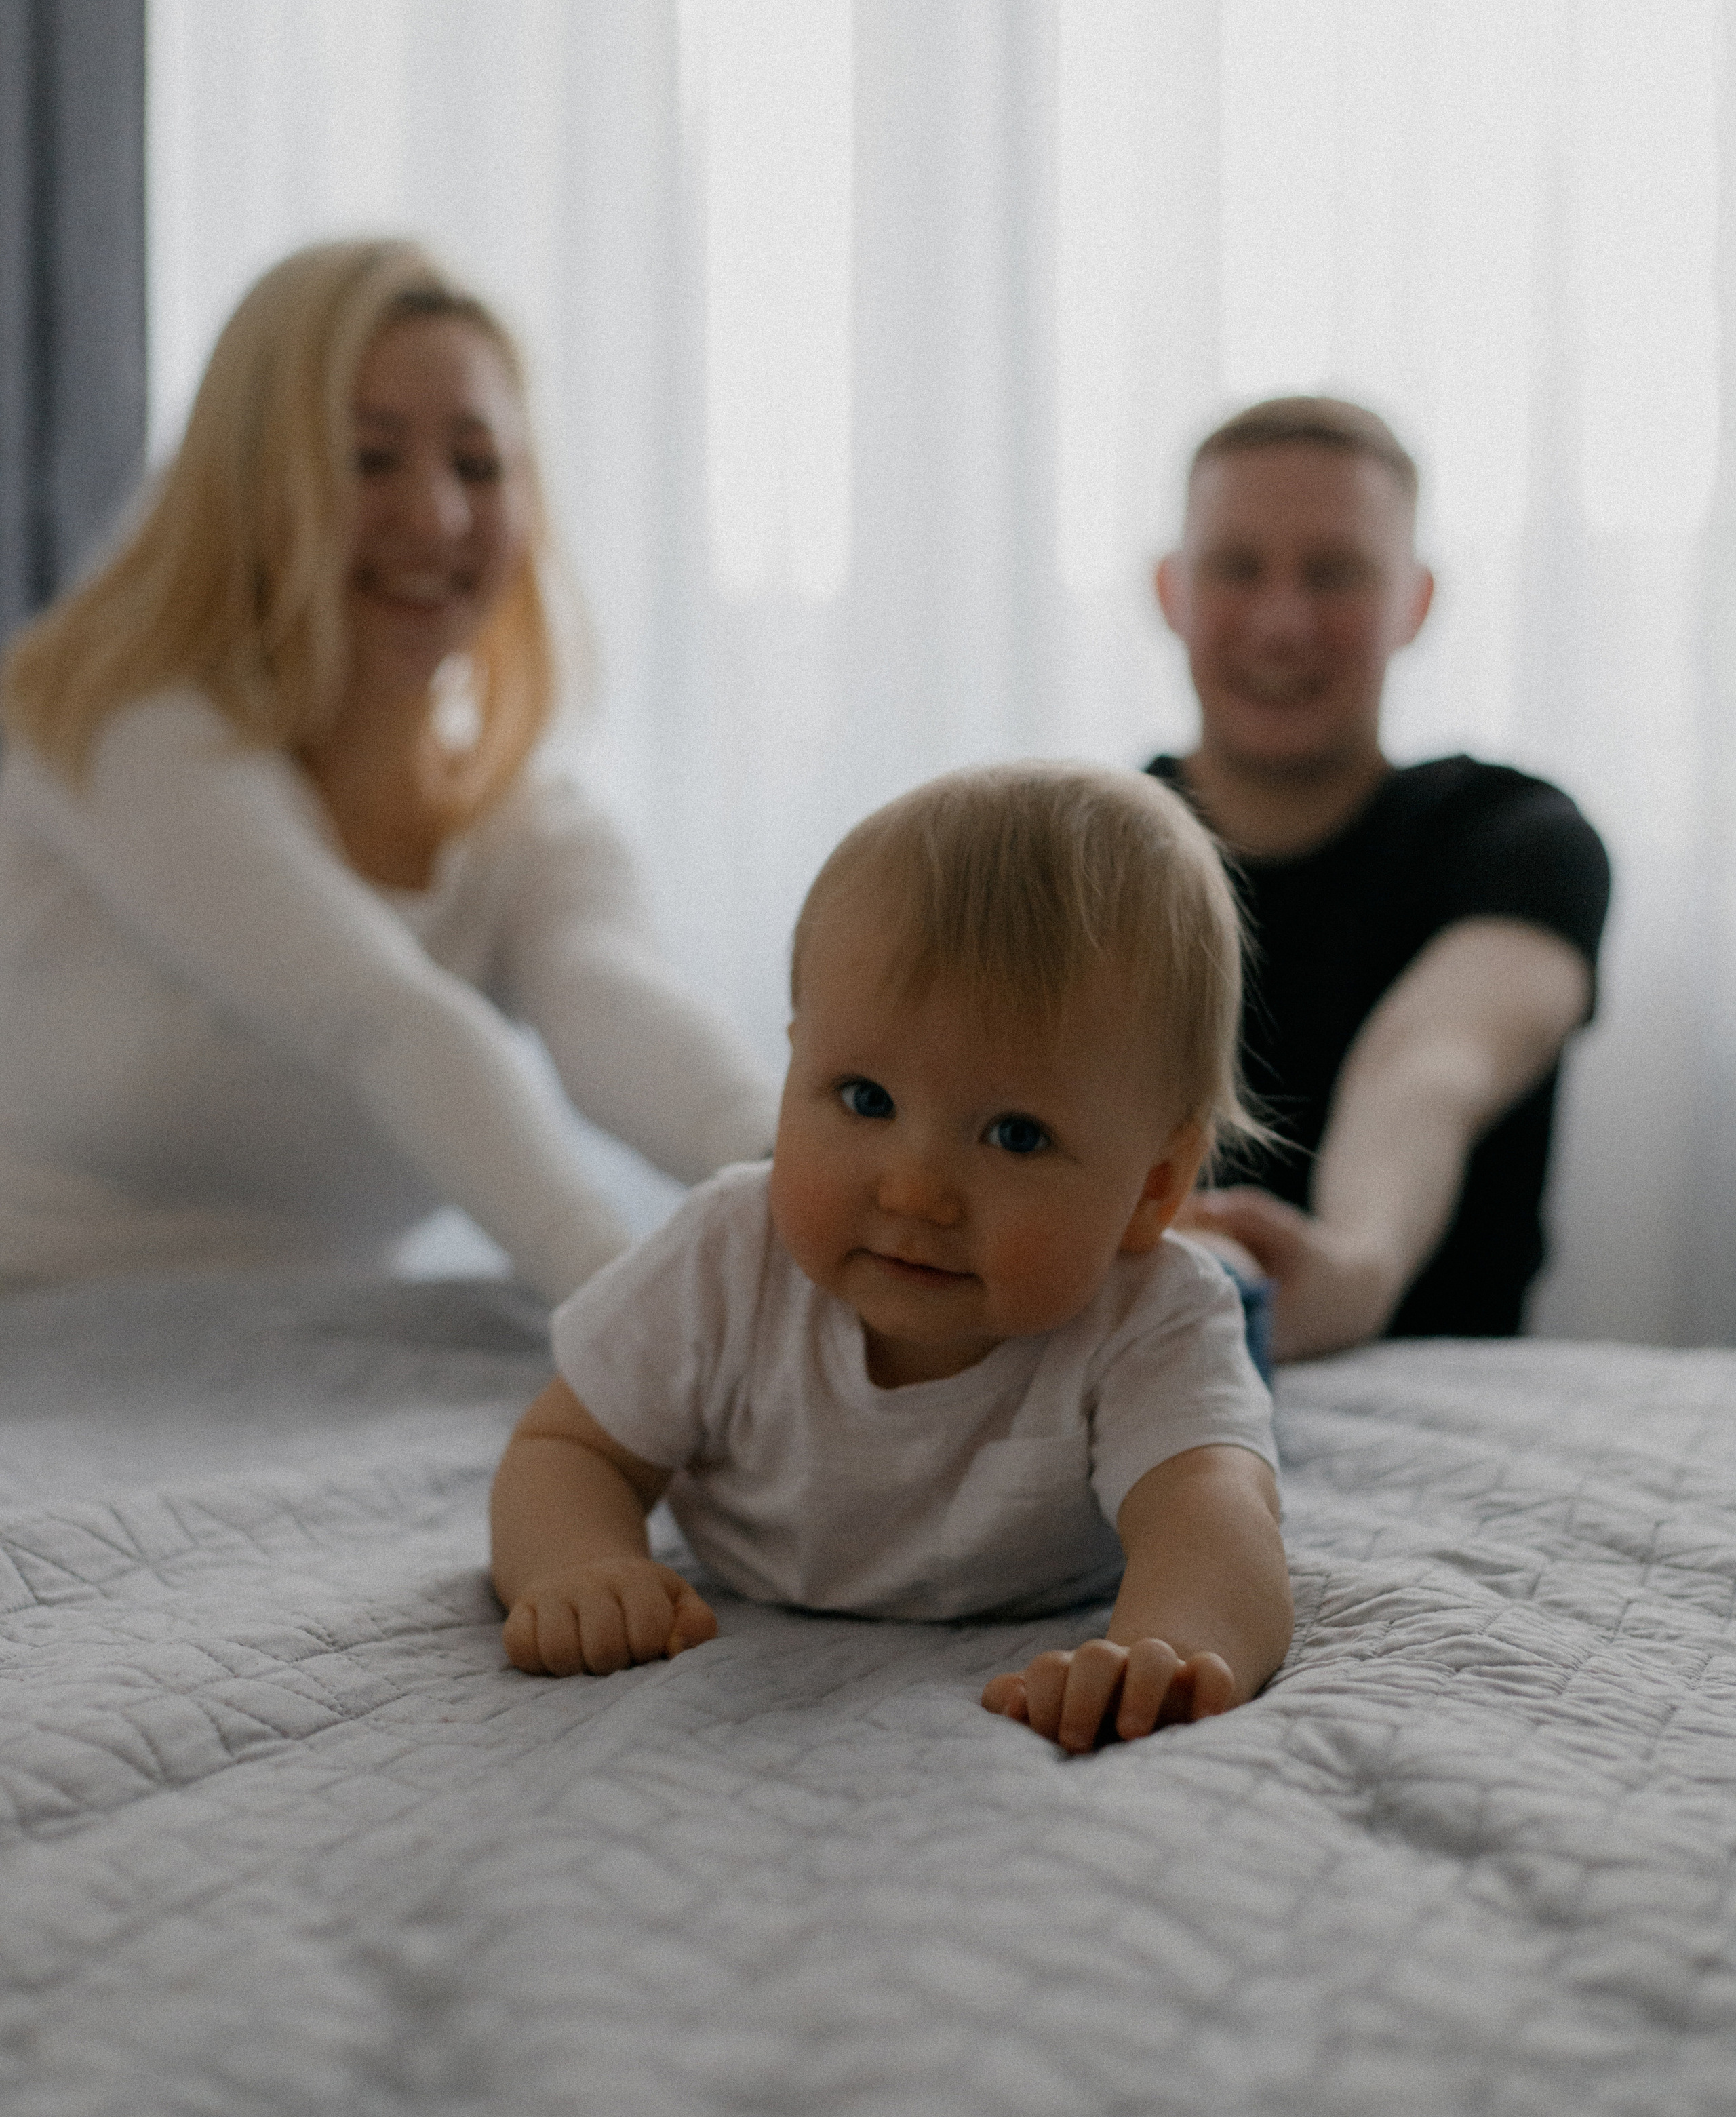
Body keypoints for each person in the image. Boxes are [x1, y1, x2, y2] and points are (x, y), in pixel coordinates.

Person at [0, 239, 777, 1300]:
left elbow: (617, 1010)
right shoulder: (118, 733)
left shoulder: (530, 830)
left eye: (478, 463)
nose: (438, 517)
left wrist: (819, 1192)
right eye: (368, 459)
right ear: (250, 488)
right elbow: (382, 1015)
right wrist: (612, 1289)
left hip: (313, 1356)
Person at [490, 763, 1290, 1755]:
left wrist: (1166, 1647)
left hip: (1172, 1302)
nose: (915, 1192)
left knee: (1234, 1323)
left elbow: (1214, 1518)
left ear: (1154, 1187)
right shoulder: (726, 1254)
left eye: (1015, 1135)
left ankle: (1259, 1273)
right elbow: (566, 1451)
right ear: (792, 1066)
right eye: (865, 1100)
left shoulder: (1150, 1316)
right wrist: (577, 1566)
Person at [1149, 395, 1611, 1358]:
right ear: (1170, 593)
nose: (1284, 624)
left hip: (1433, 1378)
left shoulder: (1520, 836)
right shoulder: (1078, 854)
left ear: (1417, 602)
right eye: (1239, 568)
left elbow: (1432, 1065)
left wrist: (1351, 1268)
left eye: (1336, 573)